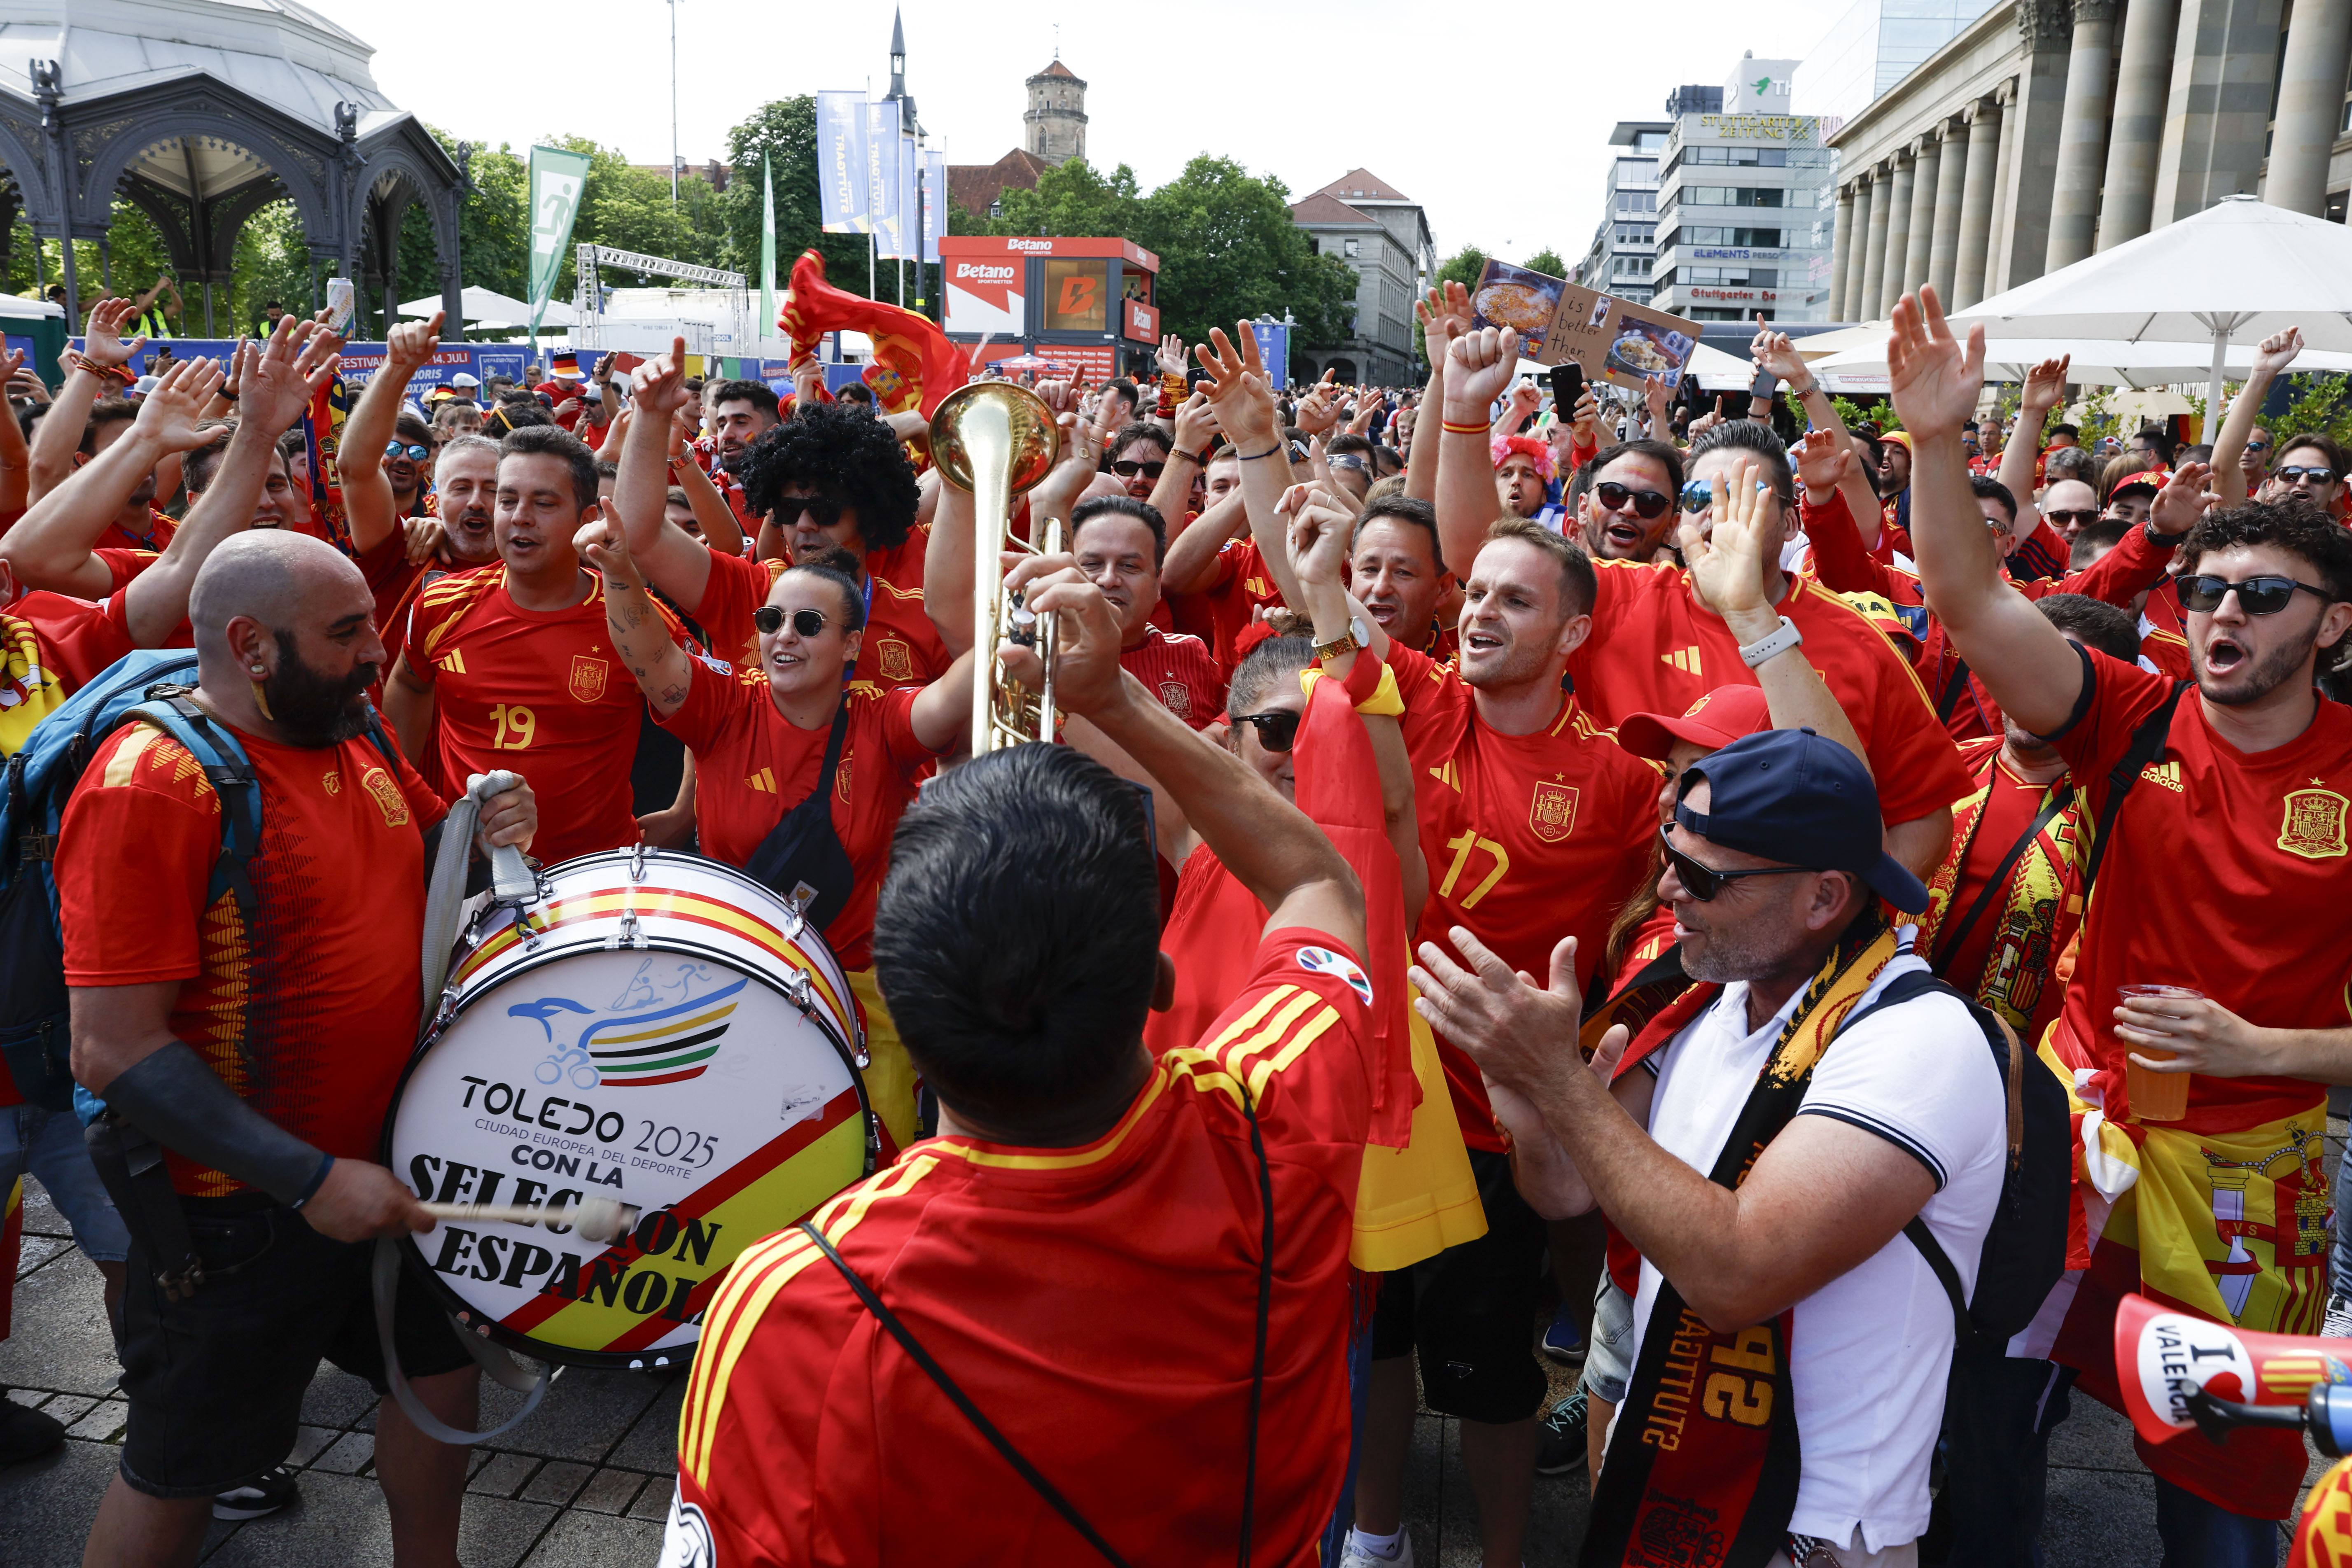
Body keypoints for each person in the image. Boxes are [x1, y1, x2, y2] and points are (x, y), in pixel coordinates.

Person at [665, 554, 1379, 1565]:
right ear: (1159, 984)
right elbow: (1316, 880)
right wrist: (1117, 700)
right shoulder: (1276, 1126)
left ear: (898, 1009)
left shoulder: (790, 1298)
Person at [1894, 284, 2352, 1559]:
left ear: (2333, 624)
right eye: (2205, 589)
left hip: (2248, 1180)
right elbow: (1972, 602)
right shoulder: (2123, 712)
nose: (2220, 615)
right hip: (2067, 1135)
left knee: (2220, 1500)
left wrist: (2258, 1050)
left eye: (2263, 598)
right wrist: (1939, 442)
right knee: (1985, 1426)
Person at [1413, 717, 2004, 1568]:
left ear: (1824, 897)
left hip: (1813, 1533)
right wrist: (1533, 1114)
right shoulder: (1703, 1000)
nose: (1665, 890)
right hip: (1666, 1476)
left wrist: (1560, 1087)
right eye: (1667, 851)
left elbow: (1739, 1274)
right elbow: (1570, 1191)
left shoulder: (1920, 1042)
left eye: (1699, 872)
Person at [58, 527, 537, 1565]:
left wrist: (488, 814)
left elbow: (430, 848)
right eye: (348, 630)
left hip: (384, 1169)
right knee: (183, 1468)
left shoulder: (347, 731)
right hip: (237, 1218)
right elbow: (110, 1048)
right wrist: (310, 1177)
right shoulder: (152, 785)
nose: (379, 650)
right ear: (253, 645)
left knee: (439, 1368)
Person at [1439, 328, 1972, 882]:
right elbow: (1478, 554)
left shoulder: (1862, 643)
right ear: (1676, 520)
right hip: (1620, 918)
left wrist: (1834, 921)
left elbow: (1925, 819)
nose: (1717, 514)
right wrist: (1463, 410)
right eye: (1698, 498)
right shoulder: (1619, 596)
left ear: (1791, 524)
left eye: (1744, 497)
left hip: (1765, 949)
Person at [586, 439, 975, 1153]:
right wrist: (618, 575)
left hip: (861, 1003)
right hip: (732, 986)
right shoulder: (725, 707)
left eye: (808, 623)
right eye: (769, 621)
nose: (782, 637)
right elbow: (651, 656)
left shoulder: (883, 720)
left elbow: (957, 693)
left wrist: (1016, 615)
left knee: (860, 1179)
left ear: (852, 645)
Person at [384, 424, 673, 865]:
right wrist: (407, 796)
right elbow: (409, 682)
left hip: (594, 878)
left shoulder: (636, 618)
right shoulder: (440, 603)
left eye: (544, 503)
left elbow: (709, 714)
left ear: (588, 519)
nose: (520, 517)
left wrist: (687, 810)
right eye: (508, 500)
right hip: (467, 869)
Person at [631, 348, 947, 686]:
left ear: (868, 515)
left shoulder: (923, 615)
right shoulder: (748, 593)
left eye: (826, 510)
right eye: (789, 511)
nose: (805, 525)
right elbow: (641, 537)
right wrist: (649, 418)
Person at [1069, 495, 1224, 727]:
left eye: (1129, 566)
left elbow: (1241, 719)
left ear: (1158, 583)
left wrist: (1216, 732)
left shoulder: (1192, 654)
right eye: (1092, 564)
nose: (1109, 579)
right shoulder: (1040, 663)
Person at [1575, 439, 1685, 564]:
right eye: (1613, 494)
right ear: (1584, 508)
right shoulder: (1550, 581)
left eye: (1650, 502)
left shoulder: (1688, 584)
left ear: (1670, 527)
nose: (1629, 509)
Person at [1106, 420, 1174, 504]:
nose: (1140, 479)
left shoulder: (1189, 517)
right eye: (1128, 468)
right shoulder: (1094, 515)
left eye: (1154, 469)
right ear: (1113, 473)